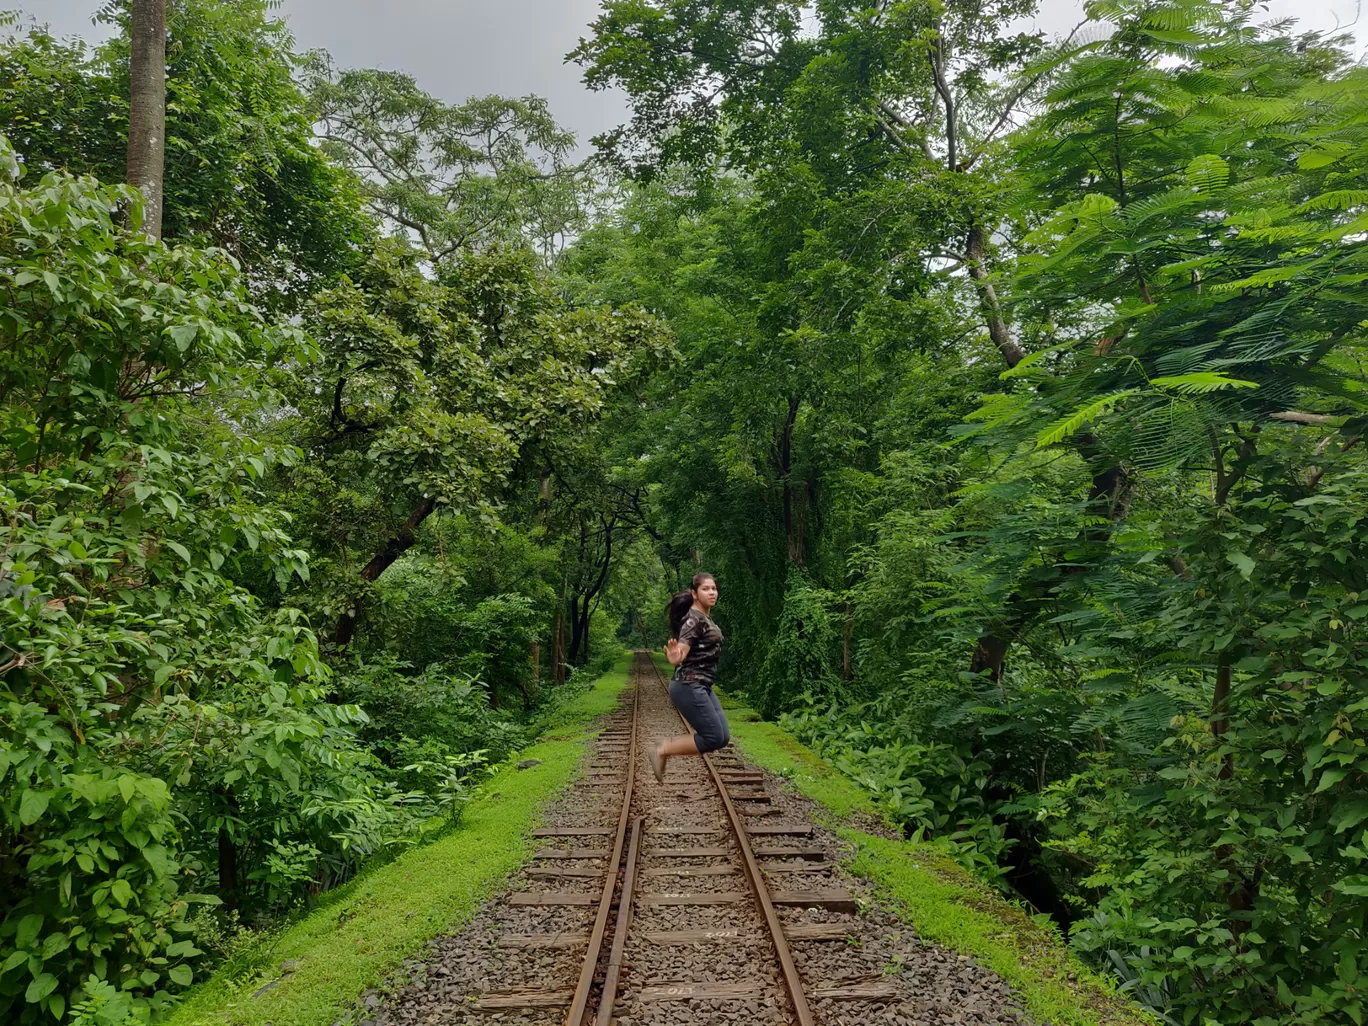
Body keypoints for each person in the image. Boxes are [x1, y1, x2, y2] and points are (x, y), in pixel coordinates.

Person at [650, 572, 730, 782]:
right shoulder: (693, 620)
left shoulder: (704, 618)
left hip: (702, 684)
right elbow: (681, 653)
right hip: (689, 684)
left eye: (714, 588)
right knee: (713, 737)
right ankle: (663, 749)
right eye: (706, 589)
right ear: (695, 594)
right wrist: (676, 656)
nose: (712, 592)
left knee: (722, 737)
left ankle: (665, 748)